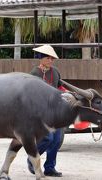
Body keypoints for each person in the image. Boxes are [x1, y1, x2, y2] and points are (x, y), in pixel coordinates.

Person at [27, 44, 64, 177]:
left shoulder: (55, 72)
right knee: (47, 138)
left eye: (52, 59)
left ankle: (49, 167)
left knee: (56, 140)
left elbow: (60, 87)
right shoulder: (34, 73)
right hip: (41, 111)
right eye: (48, 58)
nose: (50, 61)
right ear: (41, 58)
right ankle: (32, 159)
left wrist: (69, 96)